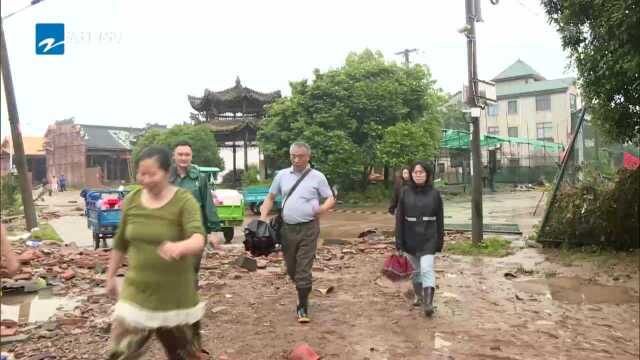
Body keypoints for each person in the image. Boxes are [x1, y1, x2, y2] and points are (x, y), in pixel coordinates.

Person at [105, 146, 208, 359]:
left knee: (185, 355)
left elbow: (198, 238)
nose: (146, 179)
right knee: (120, 354)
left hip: (176, 298)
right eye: (141, 174)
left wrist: (180, 247)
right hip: (137, 294)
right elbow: (121, 241)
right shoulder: (132, 200)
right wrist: (110, 276)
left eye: (152, 174)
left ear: (166, 173)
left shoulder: (184, 201)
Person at [260, 142, 336, 323]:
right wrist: (262, 218)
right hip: (287, 229)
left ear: (308, 157)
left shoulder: (317, 177)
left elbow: (330, 197)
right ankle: (302, 289)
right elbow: (270, 197)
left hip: (309, 228)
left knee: (303, 269)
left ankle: (303, 306)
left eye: (300, 156)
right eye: (293, 156)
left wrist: (322, 208)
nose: (296, 159)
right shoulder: (282, 175)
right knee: (292, 268)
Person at [395, 161, 444, 317]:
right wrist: (399, 241)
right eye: (415, 172)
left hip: (429, 237)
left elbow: (440, 220)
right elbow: (399, 218)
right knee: (416, 271)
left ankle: (428, 304)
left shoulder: (435, 194)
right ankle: (419, 296)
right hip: (410, 237)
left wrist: (439, 241)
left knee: (427, 268)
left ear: (427, 174)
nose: (418, 175)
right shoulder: (404, 192)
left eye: (421, 172)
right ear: (411, 174)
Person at [169, 140, 221, 278]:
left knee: (191, 270)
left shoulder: (200, 179)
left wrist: (214, 231)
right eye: (180, 154)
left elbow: (208, 205)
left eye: (187, 154)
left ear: (191, 156)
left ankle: (189, 297)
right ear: (174, 156)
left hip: (195, 232)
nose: (184, 158)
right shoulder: (166, 178)